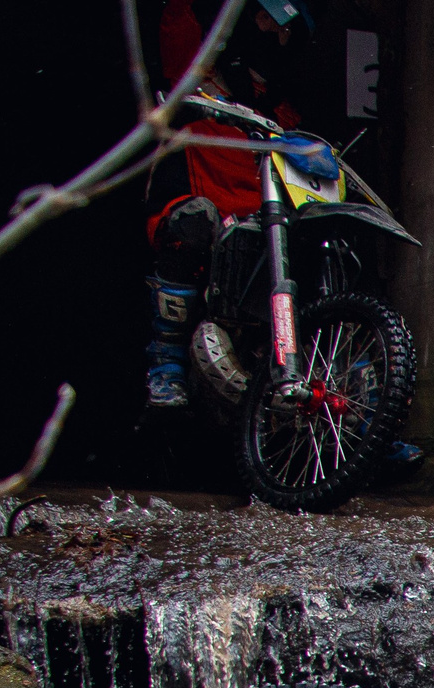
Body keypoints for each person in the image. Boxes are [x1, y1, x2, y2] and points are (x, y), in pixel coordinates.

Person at [142, 0, 315, 409]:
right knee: (193, 220)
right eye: (266, 21)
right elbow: (177, 22)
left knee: (324, 244)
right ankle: (166, 366)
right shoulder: (199, 76)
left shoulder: (284, 114)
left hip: (261, 230)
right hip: (200, 212)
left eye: (285, 32)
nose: (274, 36)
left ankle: (362, 412)